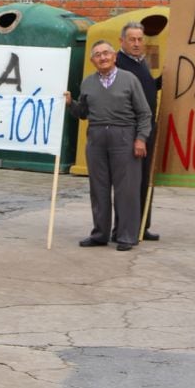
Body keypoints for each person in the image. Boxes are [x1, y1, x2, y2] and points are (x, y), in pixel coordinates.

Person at [65, 39, 152, 251]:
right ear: (92, 60)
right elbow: (83, 113)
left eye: (106, 53)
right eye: (98, 54)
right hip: (96, 138)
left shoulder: (129, 79)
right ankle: (100, 234)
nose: (103, 57)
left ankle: (126, 236)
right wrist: (70, 104)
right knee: (99, 188)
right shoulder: (87, 83)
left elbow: (144, 113)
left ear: (114, 57)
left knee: (126, 189)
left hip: (124, 137)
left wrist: (141, 138)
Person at [114, 21, 162, 242]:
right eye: (132, 39)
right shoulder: (119, 64)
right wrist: (138, 136)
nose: (136, 43)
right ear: (122, 41)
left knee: (144, 180)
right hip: (131, 131)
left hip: (147, 128)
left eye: (139, 39)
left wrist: (164, 78)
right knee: (128, 184)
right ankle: (123, 229)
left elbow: (148, 87)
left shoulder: (141, 61)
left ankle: (142, 225)